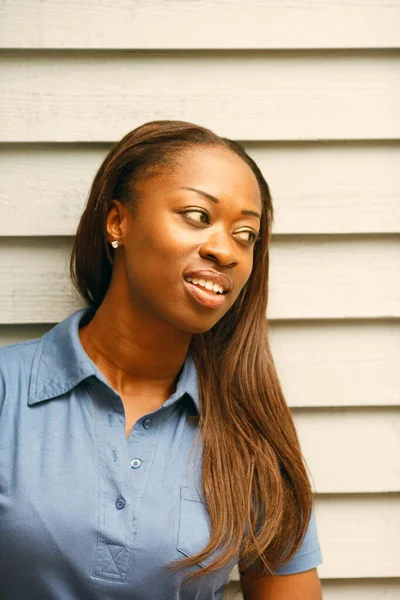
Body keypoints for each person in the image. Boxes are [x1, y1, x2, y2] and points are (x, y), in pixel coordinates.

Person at [0, 120, 323, 599]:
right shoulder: (8, 391)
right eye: (197, 215)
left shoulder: (252, 435)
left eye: (245, 234)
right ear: (118, 222)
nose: (225, 250)